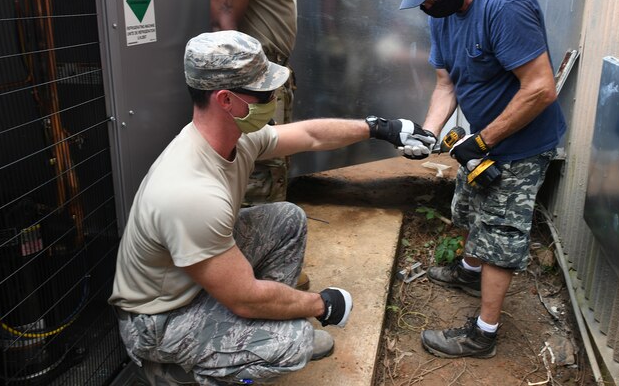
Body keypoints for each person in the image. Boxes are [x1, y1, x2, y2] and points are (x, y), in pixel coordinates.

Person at [109, 30, 435, 385]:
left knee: (286, 219)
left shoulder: (236, 136)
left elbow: (311, 136)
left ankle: (257, 324)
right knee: (291, 344)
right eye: (263, 92)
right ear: (226, 100)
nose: (273, 96)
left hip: (189, 279)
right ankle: (177, 371)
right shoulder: (190, 192)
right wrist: (322, 304)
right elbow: (244, 299)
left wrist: (379, 128)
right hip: (158, 319)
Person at [397, 0, 566, 359]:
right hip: (485, 140)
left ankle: (483, 334)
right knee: (470, 207)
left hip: (522, 142)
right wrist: (429, 131)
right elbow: (446, 83)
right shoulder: (442, 14)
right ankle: (470, 272)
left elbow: (541, 88)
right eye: (420, 0)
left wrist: (483, 140)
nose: (426, 6)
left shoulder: (504, 5)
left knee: (501, 235)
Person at [209, 0, 326, 205]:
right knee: (256, 177)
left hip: (271, 79)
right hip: (251, 86)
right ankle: (250, 253)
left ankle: (268, 247)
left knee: (273, 170)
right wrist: (245, 100)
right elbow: (221, 29)